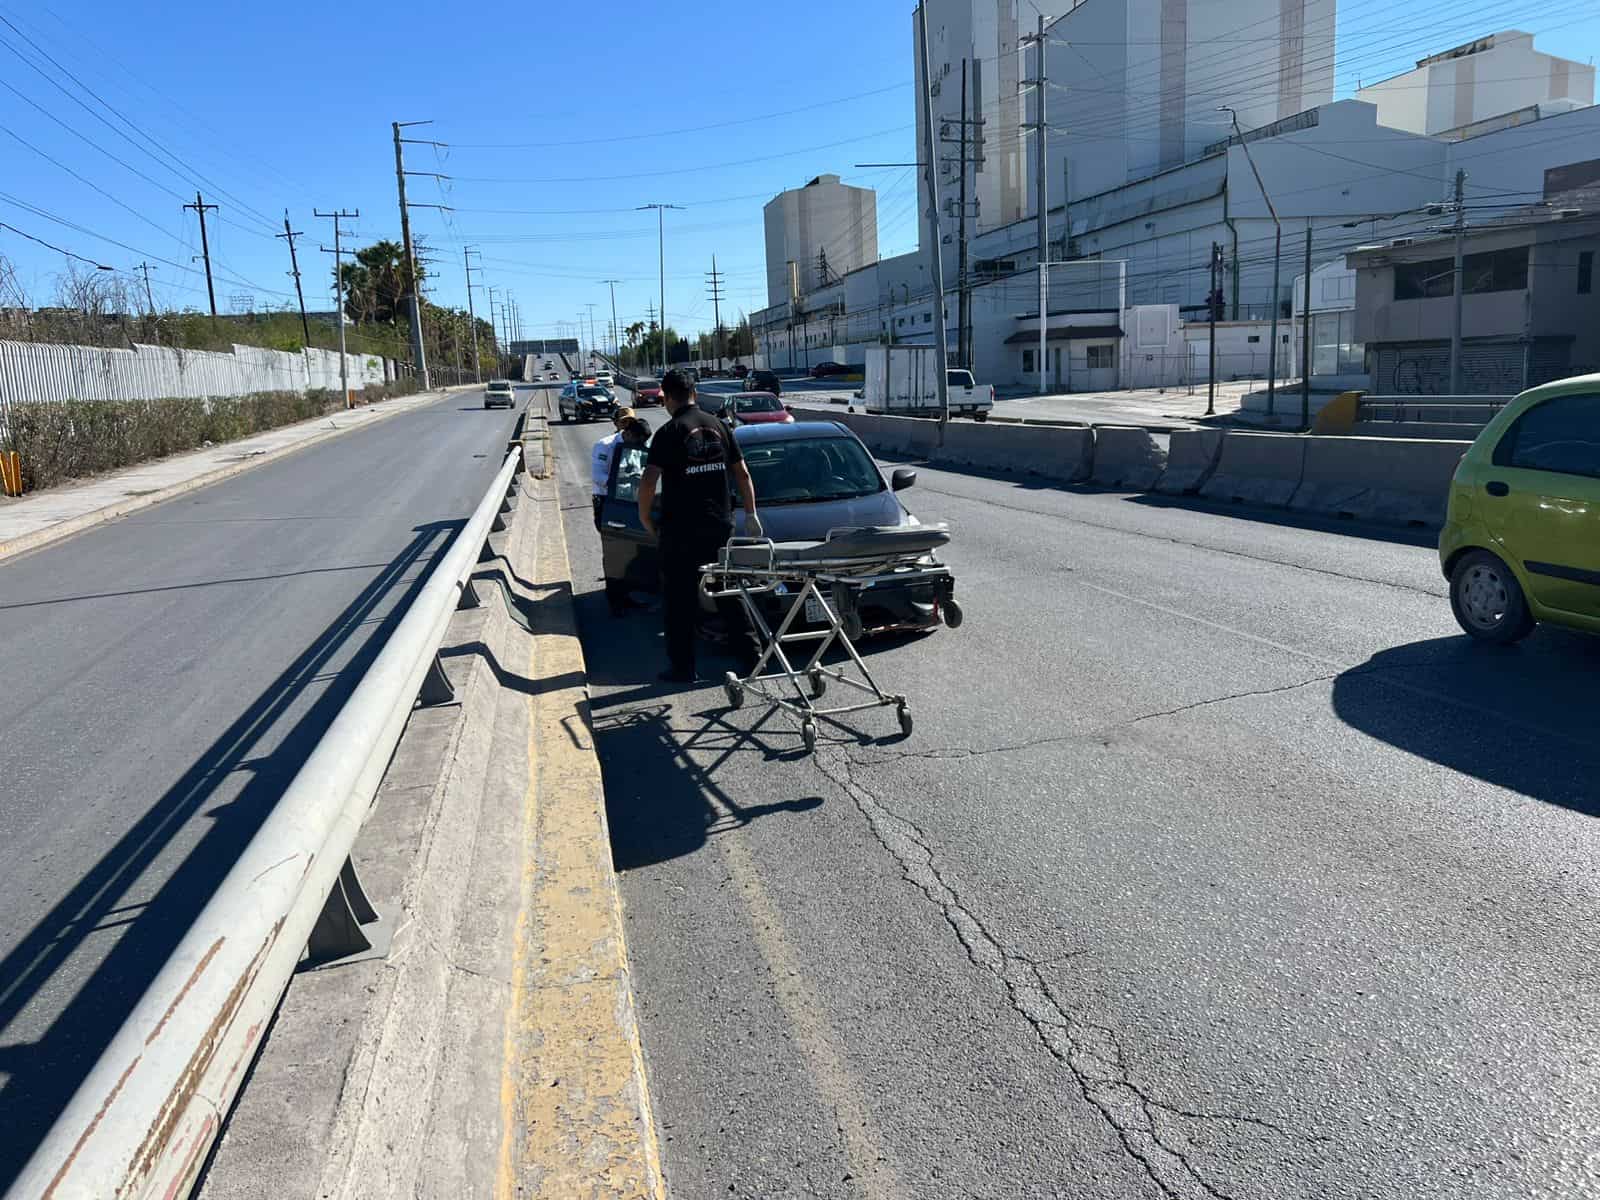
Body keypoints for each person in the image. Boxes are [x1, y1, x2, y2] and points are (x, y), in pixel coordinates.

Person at [637, 369, 761, 684]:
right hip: (719, 527)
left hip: (680, 533)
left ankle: (683, 669)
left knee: (680, 602)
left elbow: (648, 481)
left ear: (666, 395)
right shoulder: (720, 426)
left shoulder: (668, 432)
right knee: (728, 593)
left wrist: (645, 518)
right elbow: (743, 474)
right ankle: (754, 659)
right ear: (694, 392)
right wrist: (751, 514)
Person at [592, 410, 651, 616]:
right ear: (628, 433)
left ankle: (626, 595)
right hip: (609, 504)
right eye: (638, 441)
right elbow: (598, 476)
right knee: (614, 553)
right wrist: (622, 482)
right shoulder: (605, 445)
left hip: (629, 503)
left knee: (630, 551)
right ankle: (614, 601)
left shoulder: (636, 446)